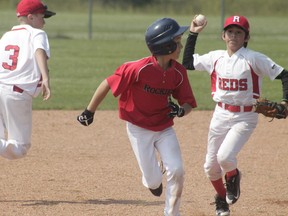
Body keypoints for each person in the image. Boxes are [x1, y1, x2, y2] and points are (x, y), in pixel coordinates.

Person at [77, 17, 197, 216]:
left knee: (177, 170)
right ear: (166, 46)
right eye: (177, 41)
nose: (181, 45)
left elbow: (188, 103)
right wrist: (89, 111)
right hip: (138, 129)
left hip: (164, 128)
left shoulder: (178, 72)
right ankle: (153, 178)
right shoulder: (137, 68)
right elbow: (107, 83)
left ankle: (172, 213)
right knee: (153, 182)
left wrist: (181, 110)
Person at [182, 15, 288, 216]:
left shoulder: (254, 58)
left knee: (225, 157)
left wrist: (285, 102)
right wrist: (194, 33)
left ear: (246, 37)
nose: (233, 36)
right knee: (210, 167)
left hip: (245, 117)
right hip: (220, 114)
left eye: (239, 32)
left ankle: (233, 175)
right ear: (223, 35)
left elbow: (285, 75)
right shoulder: (216, 57)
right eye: (230, 32)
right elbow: (187, 62)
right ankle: (222, 201)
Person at [0, 0, 55, 160]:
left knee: (3, 141)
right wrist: (45, 78)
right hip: (16, 93)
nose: (44, 22)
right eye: (42, 17)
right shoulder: (37, 34)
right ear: (30, 17)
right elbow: (39, 50)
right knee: (19, 148)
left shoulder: (7, 36)